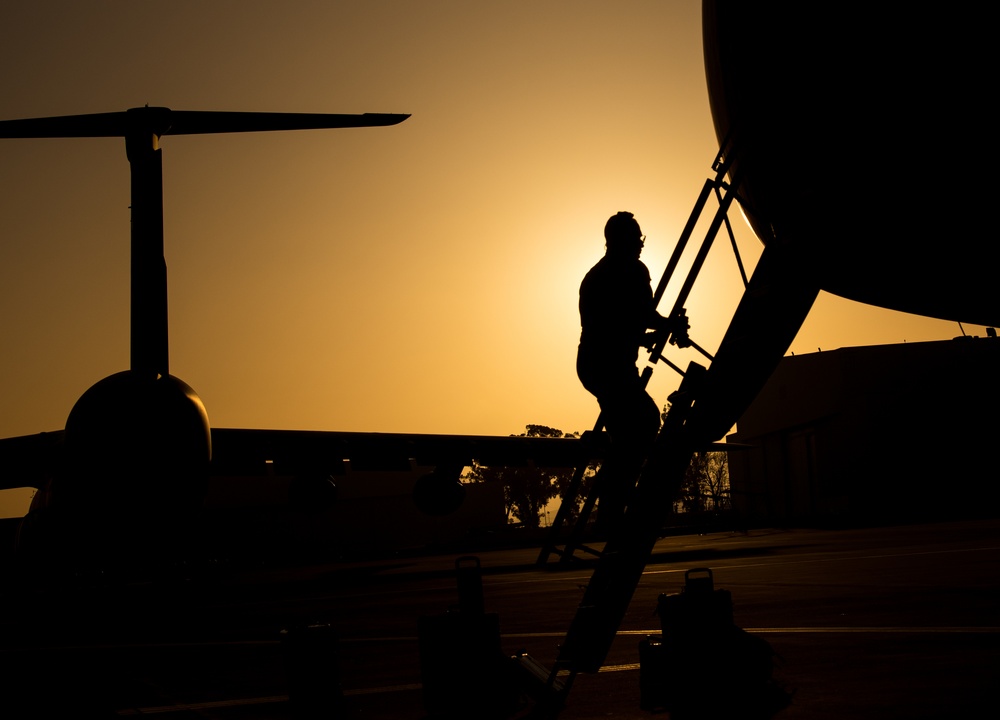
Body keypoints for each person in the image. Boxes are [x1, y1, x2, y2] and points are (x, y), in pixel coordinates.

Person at [576, 211, 682, 530]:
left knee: (628, 434)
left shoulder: (598, 275)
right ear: (621, 240)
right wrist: (666, 326)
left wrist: (657, 330)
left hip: (603, 364)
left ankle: (612, 509)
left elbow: (630, 323)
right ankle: (613, 510)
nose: (640, 245)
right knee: (645, 422)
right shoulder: (627, 272)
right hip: (607, 365)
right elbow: (635, 319)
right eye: (636, 238)